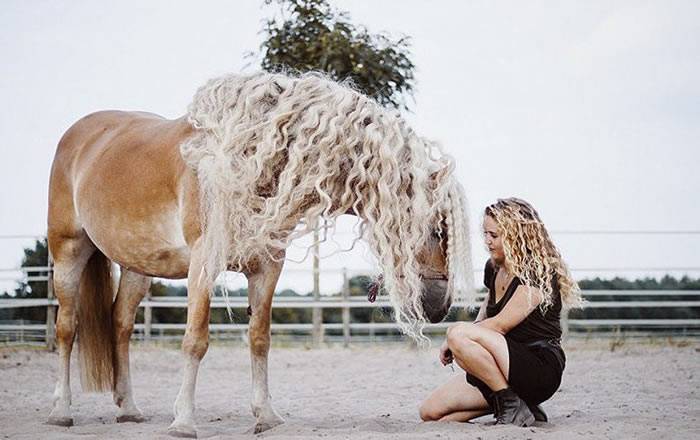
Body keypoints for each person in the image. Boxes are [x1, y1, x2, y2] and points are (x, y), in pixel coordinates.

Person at [419, 198, 581, 426]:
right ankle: (520, 406)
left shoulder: (535, 272)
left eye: (494, 235)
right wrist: (461, 336)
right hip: (498, 366)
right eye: (485, 234)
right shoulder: (493, 267)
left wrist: (454, 339)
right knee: (431, 414)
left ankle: (509, 402)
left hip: (538, 367)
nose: (487, 241)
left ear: (516, 235)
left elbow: (499, 325)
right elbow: (484, 317)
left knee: (458, 333)